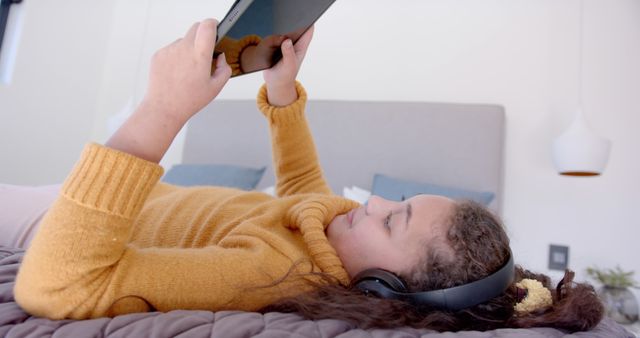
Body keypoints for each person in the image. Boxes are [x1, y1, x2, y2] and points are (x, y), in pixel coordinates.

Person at [11, 18, 604, 332]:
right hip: (108, 202)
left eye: (392, 218)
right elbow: (299, 188)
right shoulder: (328, 236)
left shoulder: (270, 272)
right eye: (395, 200)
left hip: (61, 224)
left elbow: (55, 288)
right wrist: (280, 82)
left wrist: (161, 112)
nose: (371, 201)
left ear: (381, 288)